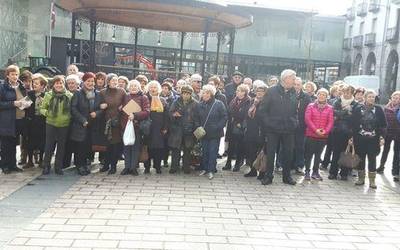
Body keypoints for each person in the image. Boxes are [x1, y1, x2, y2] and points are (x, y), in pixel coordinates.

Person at [257, 69, 298, 185]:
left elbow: (295, 110)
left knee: (288, 153)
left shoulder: (293, 92)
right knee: (270, 153)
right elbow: (263, 110)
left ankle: (287, 177)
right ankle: (268, 176)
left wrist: (294, 122)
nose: (294, 81)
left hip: (288, 129)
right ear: (285, 79)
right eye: (293, 78)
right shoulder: (271, 91)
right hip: (272, 129)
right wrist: (269, 123)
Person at [70, 72, 105, 176]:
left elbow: (101, 108)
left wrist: (97, 113)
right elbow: (73, 108)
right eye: (88, 81)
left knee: (88, 146)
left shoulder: (98, 94)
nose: (90, 83)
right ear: (83, 82)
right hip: (81, 125)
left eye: (92, 81)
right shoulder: (78, 93)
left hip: (93, 125)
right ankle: (79, 165)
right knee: (80, 146)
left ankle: (85, 164)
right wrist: (82, 120)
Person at [353, 90, 387, 188]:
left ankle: (372, 180)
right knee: (361, 158)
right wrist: (352, 137)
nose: (371, 98)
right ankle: (361, 178)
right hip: (360, 138)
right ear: (365, 97)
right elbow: (354, 124)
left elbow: (383, 125)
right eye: (370, 96)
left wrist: (382, 137)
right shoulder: (358, 108)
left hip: (373, 139)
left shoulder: (378, 109)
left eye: (373, 97)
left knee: (372, 159)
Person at [40, 75, 73, 175]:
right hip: (51, 123)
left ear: (64, 84)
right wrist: (47, 113)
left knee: (61, 146)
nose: (59, 85)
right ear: (53, 85)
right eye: (57, 83)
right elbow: (42, 108)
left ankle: (58, 167)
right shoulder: (48, 95)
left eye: (61, 83)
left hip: (64, 124)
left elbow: (73, 109)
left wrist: (68, 117)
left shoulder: (69, 95)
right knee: (49, 146)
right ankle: (46, 166)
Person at [328, 85, 359, 180]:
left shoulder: (356, 104)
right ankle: (333, 172)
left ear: (352, 93)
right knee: (336, 152)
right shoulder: (337, 101)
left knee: (346, 153)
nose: (346, 94)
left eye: (348, 92)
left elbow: (354, 118)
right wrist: (346, 113)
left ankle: (344, 173)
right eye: (344, 92)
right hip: (337, 131)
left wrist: (341, 114)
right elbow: (334, 113)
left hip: (349, 132)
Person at [198, 84, 227, 180]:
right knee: (205, 151)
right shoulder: (200, 104)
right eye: (203, 93)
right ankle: (205, 168)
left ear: (211, 94)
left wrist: (218, 126)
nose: (205, 95)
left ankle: (211, 170)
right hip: (204, 133)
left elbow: (224, 117)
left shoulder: (218, 104)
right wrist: (198, 126)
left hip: (215, 133)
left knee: (213, 152)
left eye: (207, 93)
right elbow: (197, 118)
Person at [120, 80, 150, 175]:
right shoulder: (125, 97)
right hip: (125, 126)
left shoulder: (143, 97)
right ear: (129, 87)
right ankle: (127, 167)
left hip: (137, 126)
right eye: (131, 86)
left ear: (139, 88)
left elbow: (147, 112)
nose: (133, 87)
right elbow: (122, 110)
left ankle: (133, 168)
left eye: (135, 86)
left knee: (135, 147)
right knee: (126, 147)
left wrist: (135, 115)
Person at [0, 65, 26, 174]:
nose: (15, 76)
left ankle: (13, 164)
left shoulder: (21, 86)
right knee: (6, 144)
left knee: (15, 143)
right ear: (7, 75)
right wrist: (13, 103)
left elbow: (24, 97)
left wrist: (26, 103)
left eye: (16, 74)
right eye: (12, 74)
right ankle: (5, 165)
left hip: (19, 119)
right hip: (7, 120)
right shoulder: (2, 87)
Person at [304, 88, 334, 181]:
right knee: (308, 155)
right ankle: (307, 171)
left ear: (327, 96)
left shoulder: (330, 108)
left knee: (318, 155)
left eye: (324, 95)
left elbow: (330, 121)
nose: (321, 96)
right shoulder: (310, 106)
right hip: (311, 134)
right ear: (317, 95)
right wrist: (315, 130)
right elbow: (308, 119)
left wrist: (326, 131)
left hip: (323, 136)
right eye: (320, 94)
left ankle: (315, 172)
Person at [99, 73, 126, 174]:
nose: (115, 82)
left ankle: (113, 166)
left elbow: (127, 102)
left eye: (116, 80)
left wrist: (122, 106)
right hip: (106, 123)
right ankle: (106, 165)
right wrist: (101, 106)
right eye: (112, 80)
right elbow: (98, 105)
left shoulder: (122, 91)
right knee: (107, 145)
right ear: (108, 82)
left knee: (115, 145)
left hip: (117, 122)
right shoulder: (102, 92)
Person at [168, 85, 198, 174]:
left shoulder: (195, 103)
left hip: (189, 129)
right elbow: (170, 113)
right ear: (181, 94)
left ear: (190, 94)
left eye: (188, 94)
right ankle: (174, 166)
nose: (185, 95)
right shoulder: (176, 102)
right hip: (177, 129)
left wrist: (194, 127)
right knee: (175, 150)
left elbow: (197, 117)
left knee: (187, 149)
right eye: (184, 93)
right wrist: (174, 115)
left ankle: (186, 167)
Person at [223, 84, 251, 172]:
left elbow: (247, 115)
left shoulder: (248, 101)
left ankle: (238, 164)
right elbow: (229, 110)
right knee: (231, 146)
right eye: (238, 90)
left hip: (241, 127)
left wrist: (241, 123)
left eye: (241, 91)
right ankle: (228, 163)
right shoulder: (234, 100)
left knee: (240, 146)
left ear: (245, 93)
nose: (238, 92)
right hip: (232, 125)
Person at [144, 80, 169, 174]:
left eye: (155, 87)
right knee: (148, 148)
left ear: (158, 89)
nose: (153, 89)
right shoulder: (145, 99)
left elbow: (166, 116)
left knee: (159, 149)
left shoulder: (163, 100)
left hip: (159, 129)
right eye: (151, 87)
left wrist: (165, 127)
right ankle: (147, 167)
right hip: (148, 128)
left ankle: (158, 167)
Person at [244, 84, 267, 177]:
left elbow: (265, 116)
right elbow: (247, 113)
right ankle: (252, 170)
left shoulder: (267, 102)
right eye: (258, 91)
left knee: (262, 152)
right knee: (251, 151)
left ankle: (262, 172)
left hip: (262, 130)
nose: (259, 93)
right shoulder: (252, 101)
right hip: (251, 130)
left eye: (262, 91)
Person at [25, 73, 47, 169]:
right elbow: (25, 106)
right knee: (30, 141)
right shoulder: (30, 94)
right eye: (33, 83)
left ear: (42, 85)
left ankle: (41, 160)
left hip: (42, 121)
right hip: (31, 121)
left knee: (42, 141)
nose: (34, 85)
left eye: (37, 83)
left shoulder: (46, 95)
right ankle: (30, 161)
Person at [378, 91, 400, 181]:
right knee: (385, 150)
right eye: (394, 98)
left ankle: (395, 172)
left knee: (397, 153)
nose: (395, 100)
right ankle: (381, 166)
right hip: (388, 132)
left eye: (397, 98)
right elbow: (383, 121)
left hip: (398, 133)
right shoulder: (386, 108)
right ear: (391, 98)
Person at [292, 77, 311, 173]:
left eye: (298, 84)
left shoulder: (306, 96)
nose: (296, 86)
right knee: (287, 146)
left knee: (300, 146)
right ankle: (282, 164)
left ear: (301, 85)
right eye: (294, 84)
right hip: (289, 124)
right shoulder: (289, 94)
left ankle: (299, 166)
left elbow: (309, 111)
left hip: (302, 125)